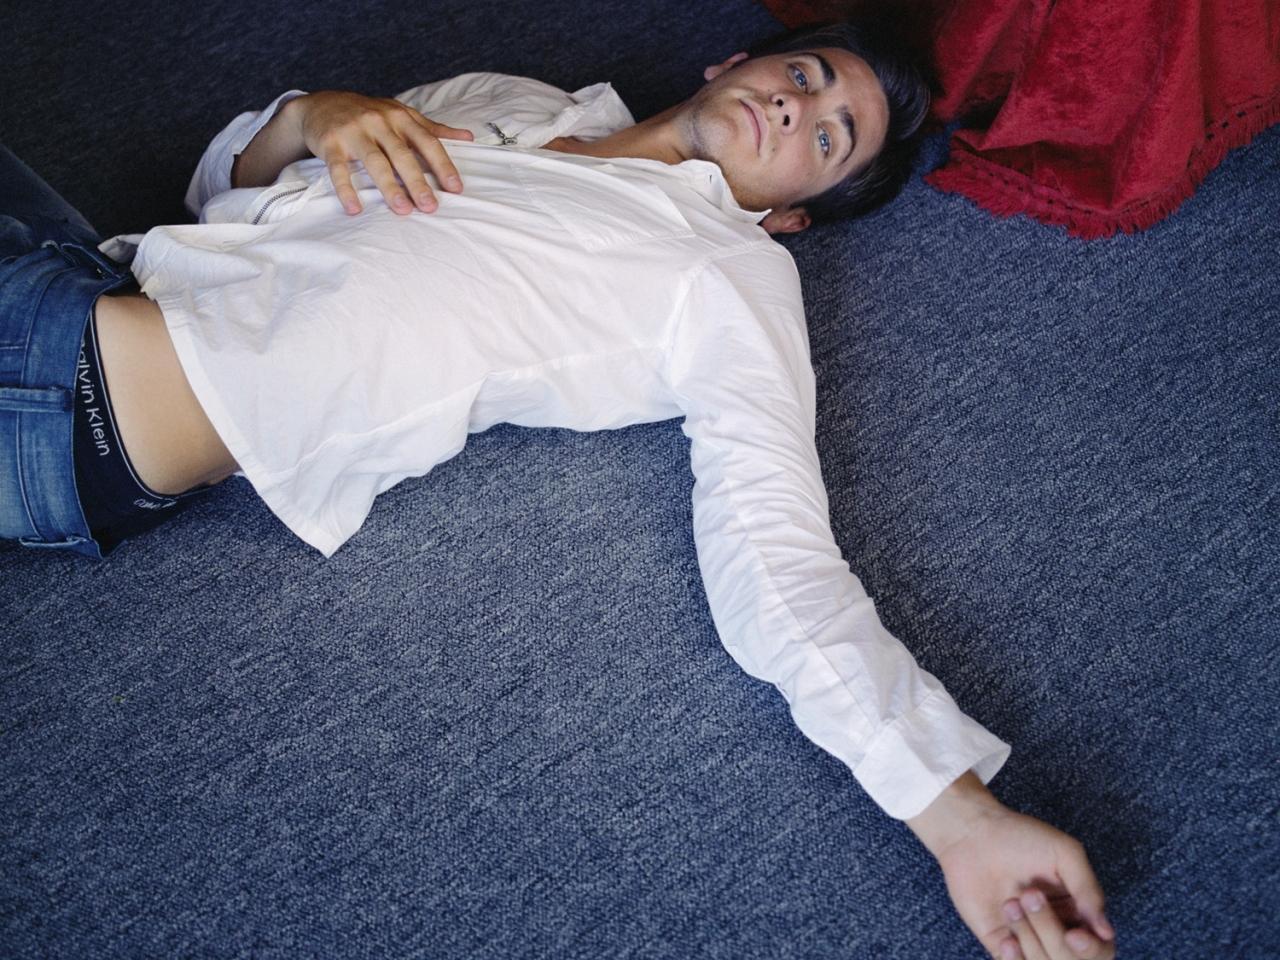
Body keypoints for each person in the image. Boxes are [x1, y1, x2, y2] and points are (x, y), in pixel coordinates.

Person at [0, 19, 1116, 960]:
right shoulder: (507, 98)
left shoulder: (727, 278)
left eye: (827, 138)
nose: (795, 106)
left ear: (790, 217)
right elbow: (221, 194)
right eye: (805, 75)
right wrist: (312, 116)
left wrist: (957, 817)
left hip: (61, 394)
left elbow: (775, 561)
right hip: (83, 263)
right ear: (732, 63)